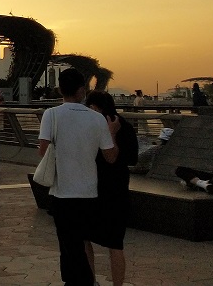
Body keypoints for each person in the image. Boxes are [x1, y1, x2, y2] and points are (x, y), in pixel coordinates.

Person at [37, 68, 118, 285]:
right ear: (82, 90)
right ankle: (81, 281)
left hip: (61, 191)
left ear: (60, 89)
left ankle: (77, 282)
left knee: (67, 243)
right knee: (80, 242)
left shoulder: (51, 115)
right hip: (89, 192)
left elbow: (43, 151)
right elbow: (110, 157)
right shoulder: (97, 119)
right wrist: (112, 132)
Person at [83, 91, 139, 286]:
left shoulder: (106, 127)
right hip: (111, 189)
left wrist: (111, 134)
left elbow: (112, 158)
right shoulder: (125, 126)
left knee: (105, 241)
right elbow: (133, 159)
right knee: (111, 243)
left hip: (104, 190)